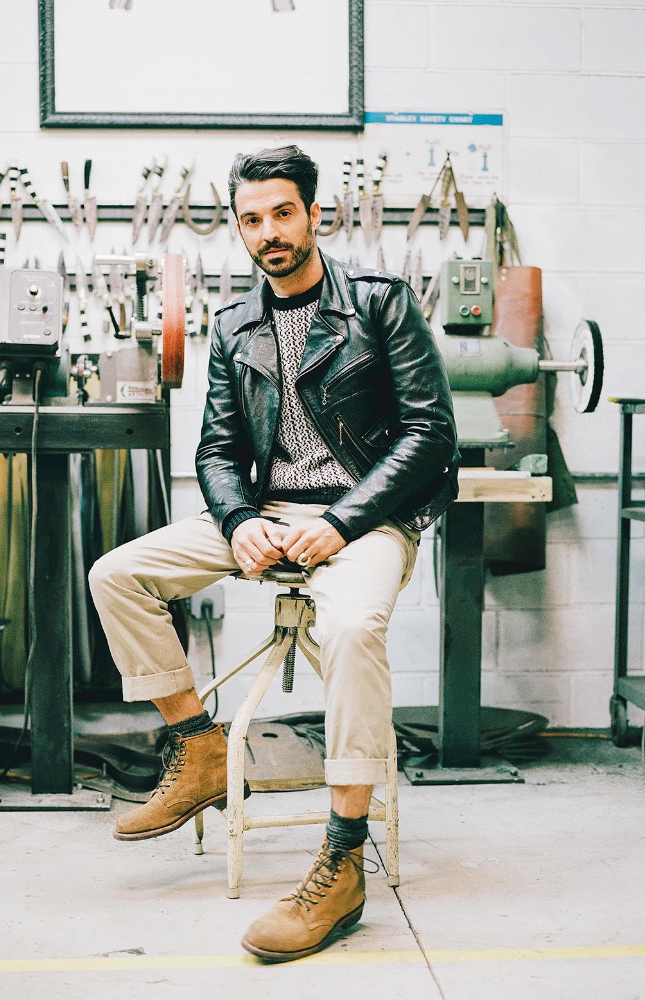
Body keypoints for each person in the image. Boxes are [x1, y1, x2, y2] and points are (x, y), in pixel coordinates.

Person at [89, 145, 459, 963]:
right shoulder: (233, 326)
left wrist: (345, 522)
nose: (268, 233)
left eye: (283, 213)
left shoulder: (380, 302)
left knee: (353, 629)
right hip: (267, 512)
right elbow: (218, 449)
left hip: (367, 515)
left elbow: (432, 434)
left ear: (314, 215)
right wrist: (236, 520)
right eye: (251, 219)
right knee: (117, 574)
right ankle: (198, 747)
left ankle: (343, 858)